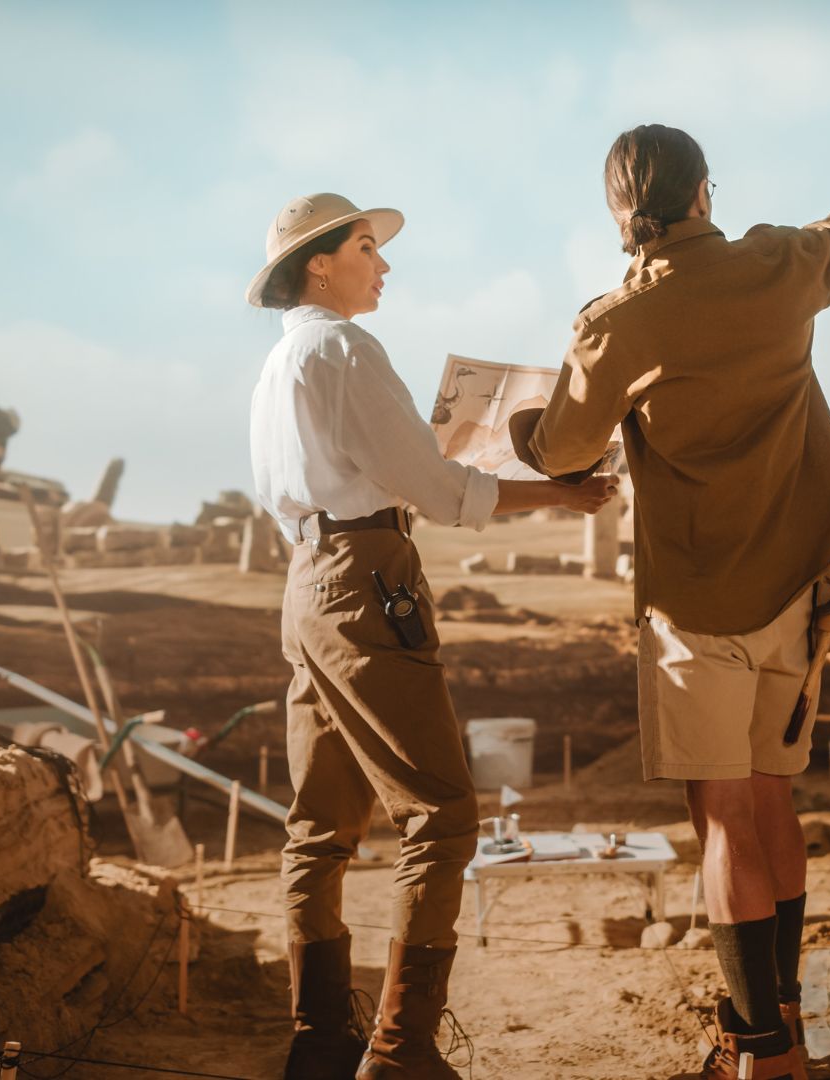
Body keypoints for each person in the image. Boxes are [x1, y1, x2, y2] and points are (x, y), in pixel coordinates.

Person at [510, 128, 830, 1078]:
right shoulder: (780, 264)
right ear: (706, 193)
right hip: (799, 590)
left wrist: (518, 423)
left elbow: (559, 452)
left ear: (620, 213)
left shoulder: (616, 321)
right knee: (770, 802)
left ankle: (761, 1054)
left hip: (697, 605)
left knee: (722, 823)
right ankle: (781, 1018)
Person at [245, 192, 617, 1080]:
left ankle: (319, 1043)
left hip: (308, 585)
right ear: (319, 265)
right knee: (443, 818)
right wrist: (560, 492)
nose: (384, 265)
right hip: (367, 581)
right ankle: (401, 1052)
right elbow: (437, 491)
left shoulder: (278, 364)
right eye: (367, 249)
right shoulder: (343, 347)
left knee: (318, 830)